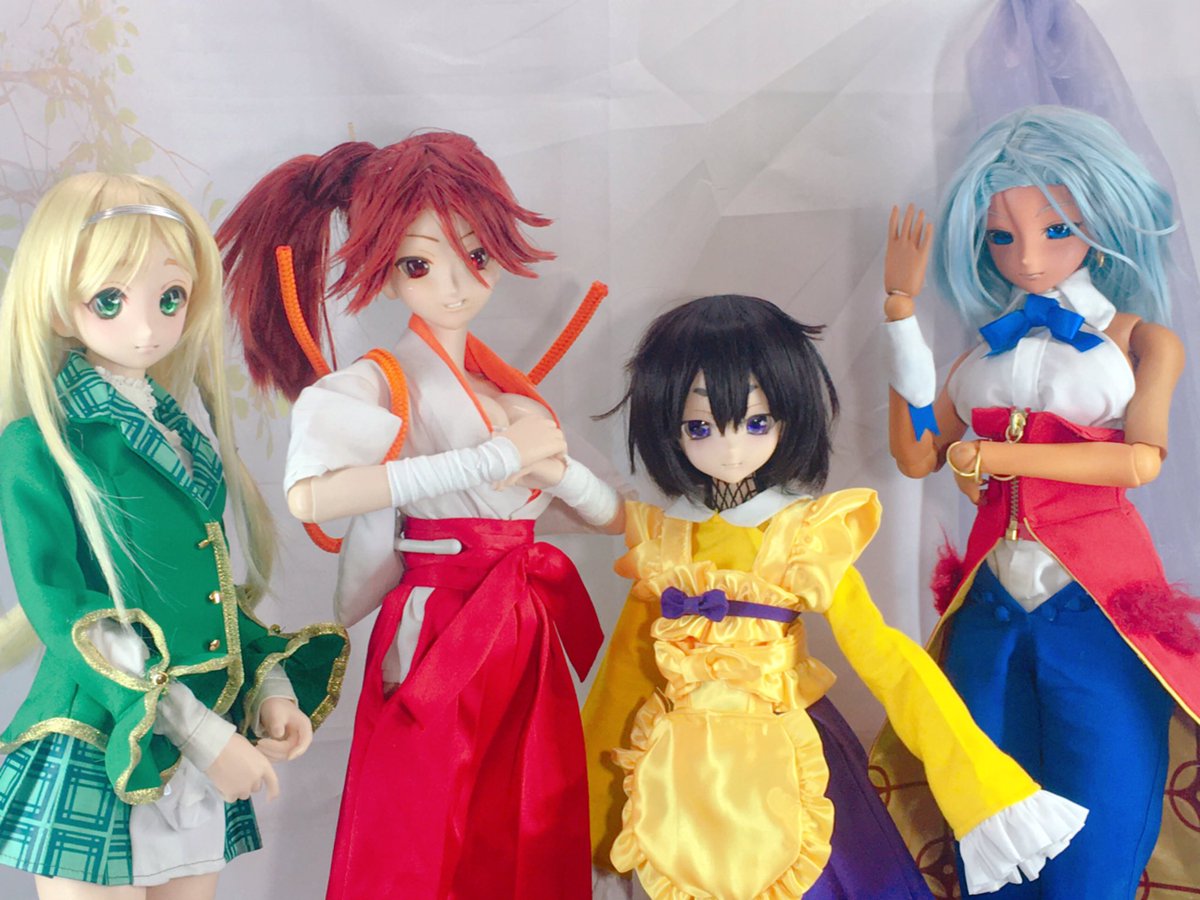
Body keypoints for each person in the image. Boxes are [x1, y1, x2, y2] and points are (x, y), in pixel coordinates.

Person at [218, 131, 622, 899]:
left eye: (478, 254)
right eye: (419, 264)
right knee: (416, 824)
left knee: (527, 814)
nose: (456, 286)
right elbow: (312, 494)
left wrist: (555, 469)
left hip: (523, 620)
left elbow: (605, 519)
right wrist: (489, 460)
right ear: (386, 269)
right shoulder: (384, 379)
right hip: (438, 624)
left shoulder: (503, 388)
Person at [584, 293, 1085, 899]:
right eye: (700, 427)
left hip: (783, 758)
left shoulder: (804, 534)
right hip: (682, 777)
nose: (731, 448)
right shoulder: (664, 541)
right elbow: (624, 678)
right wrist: (590, 822)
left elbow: (888, 659)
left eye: (756, 422)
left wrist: (983, 788)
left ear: (790, 416)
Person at [875, 105, 1200, 898]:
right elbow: (916, 453)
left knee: (1102, 829)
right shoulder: (982, 352)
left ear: (1100, 224)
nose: (1026, 257)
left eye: (1055, 230)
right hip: (989, 615)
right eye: (1001, 237)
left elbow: (1139, 460)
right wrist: (900, 316)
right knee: (989, 834)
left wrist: (994, 456)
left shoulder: (1140, 342)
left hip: (1098, 614)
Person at [0, 173, 348, 899]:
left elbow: (204, 592)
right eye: (109, 300)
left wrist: (269, 686)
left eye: (170, 298)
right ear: (57, 302)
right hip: (105, 731)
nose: (148, 328)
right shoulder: (41, 445)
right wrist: (198, 731)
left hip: (199, 733)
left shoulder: (181, 435)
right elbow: (65, 609)